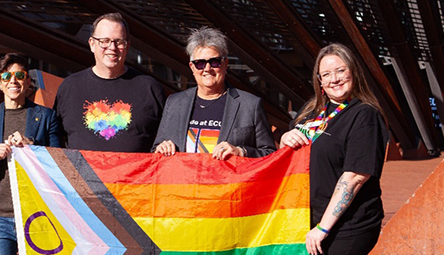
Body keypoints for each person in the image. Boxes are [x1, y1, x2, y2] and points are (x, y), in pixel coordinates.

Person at [279, 43, 388, 255]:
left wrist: (323, 228)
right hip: (307, 218)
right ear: (319, 80)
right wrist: (285, 139)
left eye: (340, 71)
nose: (334, 79)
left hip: (346, 226)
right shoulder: (312, 110)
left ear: (353, 72)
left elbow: (355, 177)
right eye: (326, 74)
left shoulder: (364, 115)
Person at [0, 53, 61, 255]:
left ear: (28, 81)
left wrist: (31, 147)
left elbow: (59, 164)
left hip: (37, 214)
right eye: (6, 76)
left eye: (19, 75)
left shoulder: (46, 117)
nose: (13, 81)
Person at [152, 27, 276, 159]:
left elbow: (269, 155)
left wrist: (241, 151)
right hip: (185, 179)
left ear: (225, 64)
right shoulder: (174, 103)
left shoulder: (250, 105)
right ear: (192, 67)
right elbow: (156, 149)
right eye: (200, 63)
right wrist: (161, 148)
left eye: (214, 62)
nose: (207, 69)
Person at [53, 12, 165, 152]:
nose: (112, 48)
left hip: (135, 174)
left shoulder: (150, 88)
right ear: (92, 44)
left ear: (127, 46)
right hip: (79, 174)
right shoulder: (69, 87)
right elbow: (53, 140)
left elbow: (166, 138)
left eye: (119, 42)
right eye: (104, 41)